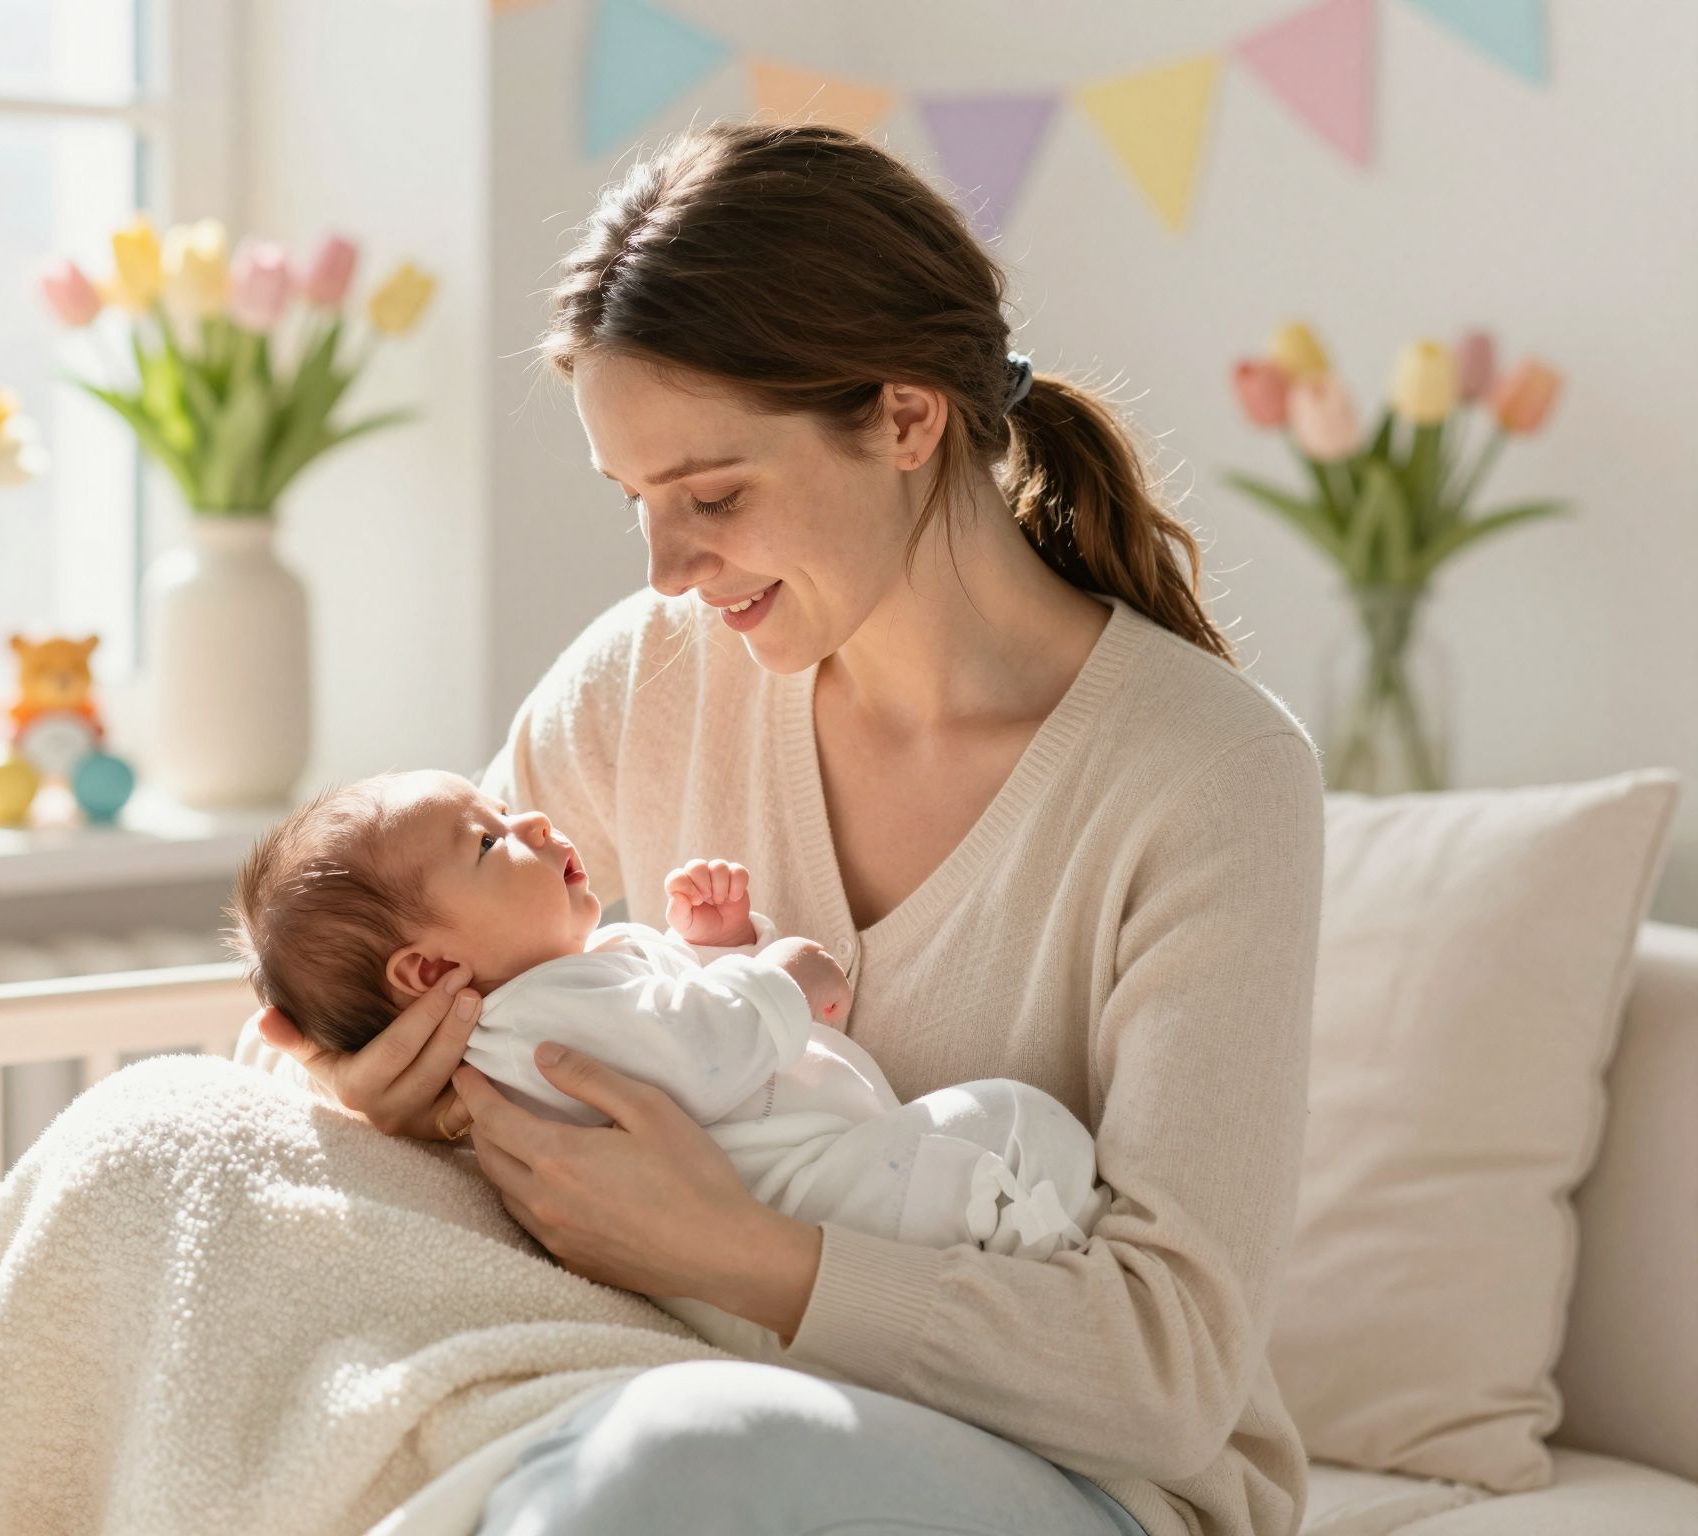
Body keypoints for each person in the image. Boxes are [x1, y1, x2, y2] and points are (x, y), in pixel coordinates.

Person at [253, 120, 1325, 1536]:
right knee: (149, 1148)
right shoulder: (651, 674)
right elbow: (364, 947)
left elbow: (1171, 1370)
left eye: (712, 496)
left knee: (665, 1460)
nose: (667, 569)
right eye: (635, 502)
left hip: (1079, 1480)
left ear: (904, 416)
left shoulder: (1210, 778)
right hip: (682, 1387)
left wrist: (742, 1251)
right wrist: (363, 1107)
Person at [223, 769, 1112, 1366]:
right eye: (490, 843)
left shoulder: (562, 980)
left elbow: (665, 1024)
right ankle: (1042, 1249)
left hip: (803, 1204)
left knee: (983, 1139)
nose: (528, 819)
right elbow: (695, 1055)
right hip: (805, 1199)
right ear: (427, 973)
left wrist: (713, 948)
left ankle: (1025, 1247)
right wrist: (779, 983)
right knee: (1013, 1123)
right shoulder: (533, 1016)